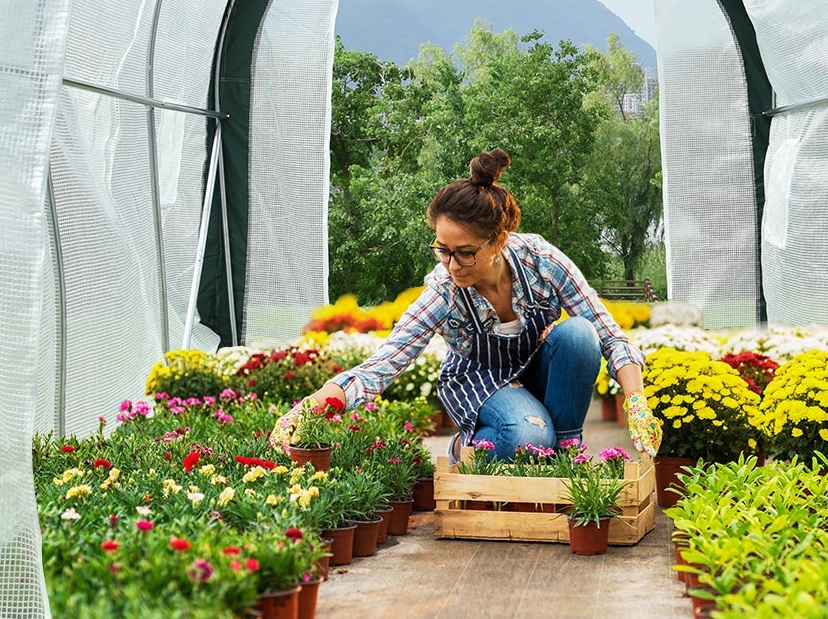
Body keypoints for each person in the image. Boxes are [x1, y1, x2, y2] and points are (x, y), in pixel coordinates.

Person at [270, 148, 662, 460]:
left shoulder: (542, 262)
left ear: (498, 242)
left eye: (464, 253)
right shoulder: (444, 290)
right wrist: (311, 406)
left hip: (534, 371)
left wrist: (637, 403)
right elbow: (384, 362)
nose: (451, 265)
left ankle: (563, 459)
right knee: (527, 434)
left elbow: (610, 335)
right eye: (442, 250)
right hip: (479, 381)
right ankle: (467, 449)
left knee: (579, 335)